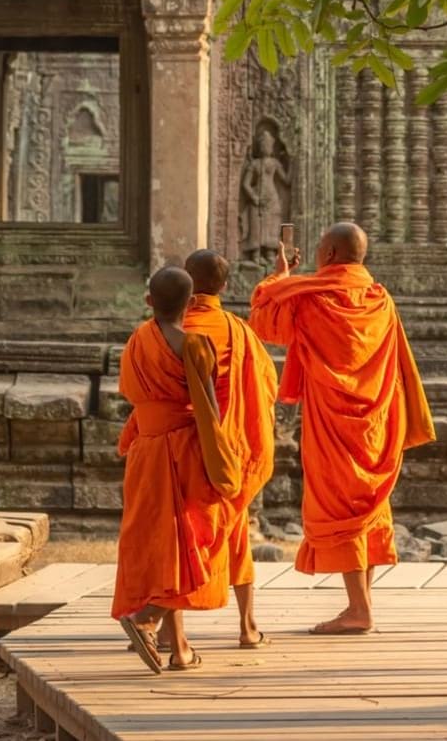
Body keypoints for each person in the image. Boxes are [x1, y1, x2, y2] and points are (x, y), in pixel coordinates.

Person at [248, 222, 435, 635]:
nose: (314, 254)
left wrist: (280, 274)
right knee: (366, 505)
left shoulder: (311, 299)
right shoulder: (381, 301)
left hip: (332, 422)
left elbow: (263, 320)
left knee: (342, 506)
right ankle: (360, 605)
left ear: (330, 255)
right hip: (377, 423)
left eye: (317, 248)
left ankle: (358, 609)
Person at [112, 265, 241, 673]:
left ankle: (181, 649)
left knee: (164, 545)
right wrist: (222, 457)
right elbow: (211, 410)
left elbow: (134, 395)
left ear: (149, 302)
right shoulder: (195, 345)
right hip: (184, 450)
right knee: (201, 539)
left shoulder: (136, 341)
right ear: (192, 303)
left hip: (144, 451)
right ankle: (147, 616)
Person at [169, 248, 277, 649]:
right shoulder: (240, 331)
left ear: (185, 281)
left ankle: (166, 629)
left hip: (183, 447)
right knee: (233, 533)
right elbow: (267, 386)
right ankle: (248, 626)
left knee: (181, 535)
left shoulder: (172, 330)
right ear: (226, 286)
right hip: (232, 450)